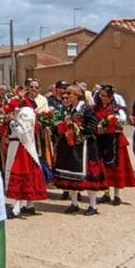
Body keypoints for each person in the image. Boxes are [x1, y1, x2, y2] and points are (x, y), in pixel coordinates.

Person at [53, 86, 105, 215]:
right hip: (71, 148)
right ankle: (74, 203)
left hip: (85, 149)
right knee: (72, 177)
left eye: (69, 93)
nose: (67, 96)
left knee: (89, 178)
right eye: (66, 93)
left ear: (77, 95)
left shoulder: (86, 109)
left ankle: (93, 206)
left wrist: (77, 129)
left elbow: (92, 127)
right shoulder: (68, 109)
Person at [94, 85, 135, 204]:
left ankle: (117, 195)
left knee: (116, 167)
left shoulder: (117, 109)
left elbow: (121, 123)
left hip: (115, 141)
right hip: (102, 141)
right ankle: (106, 192)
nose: (102, 98)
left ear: (111, 96)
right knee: (104, 167)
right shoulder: (96, 108)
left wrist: (109, 125)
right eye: (100, 95)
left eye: (104, 96)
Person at [4, 106, 48, 217]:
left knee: (21, 176)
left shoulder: (26, 113)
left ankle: (16, 207)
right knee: (28, 177)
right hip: (19, 146)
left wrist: (12, 122)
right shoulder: (23, 112)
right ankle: (29, 205)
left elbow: (22, 133)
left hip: (22, 148)